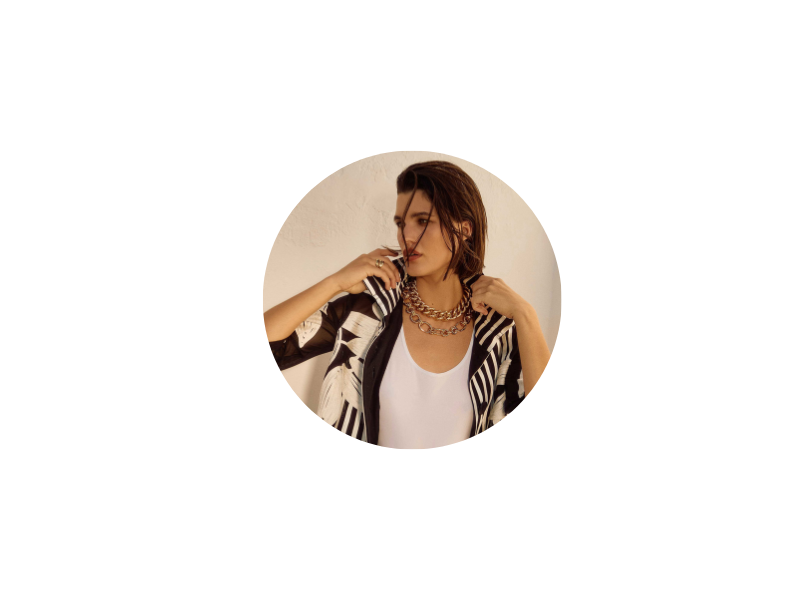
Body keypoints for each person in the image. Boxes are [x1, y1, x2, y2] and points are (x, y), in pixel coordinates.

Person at [264, 161, 548, 449]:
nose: (406, 236)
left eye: (422, 221)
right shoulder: (367, 310)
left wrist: (526, 316)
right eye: (401, 223)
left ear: (464, 230)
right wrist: (335, 282)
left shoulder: (497, 330)